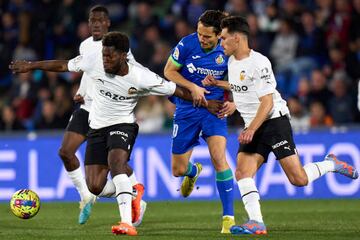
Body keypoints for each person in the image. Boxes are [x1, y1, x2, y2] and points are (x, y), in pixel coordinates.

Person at [202, 15, 359, 235]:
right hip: (254, 125)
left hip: (274, 122)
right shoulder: (232, 62)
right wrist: (221, 85)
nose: (221, 43)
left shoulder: (260, 62)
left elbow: (266, 102)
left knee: (299, 179)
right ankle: (256, 222)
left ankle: (331, 164)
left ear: (237, 38)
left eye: (225, 38)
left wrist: (251, 129)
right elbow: (241, 86)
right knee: (242, 172)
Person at [67, 31, 219, 235]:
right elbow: (62, 65)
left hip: (123, 124)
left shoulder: (141, 76)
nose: (105, 60)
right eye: (104, 55)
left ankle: (126, 223)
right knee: (95, 186)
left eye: (109, 56)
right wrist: (30, 66)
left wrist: (206, 104)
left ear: (122, 55)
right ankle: (132, 193)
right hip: (97, 127)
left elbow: (174, 90)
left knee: (116, 164)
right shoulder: (95, 62)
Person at [9, 5, 146, 226]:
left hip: (108, 113)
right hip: (87, 108)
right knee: (65, 152)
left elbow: (126, 75)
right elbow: (79, 68)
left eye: (100, 20)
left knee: (113, 162)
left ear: (108, 23)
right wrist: (83, 91)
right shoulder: (85, 45)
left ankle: (133, 191)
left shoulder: (118, 46)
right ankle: (87, 195)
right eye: (92, 20)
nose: (96, 24)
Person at [163, 10, 235, 233]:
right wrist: (193, 87)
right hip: (187, 109)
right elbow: (168, 71)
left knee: (219, 158)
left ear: (219, 35)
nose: (202, 39)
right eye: (200, 34)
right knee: (178, 170)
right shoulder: (187, 44)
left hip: (215, 109)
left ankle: (228, 218)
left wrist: (234, 103)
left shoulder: (228, 51)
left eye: (207, 37)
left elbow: (242, 82)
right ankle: (193, 172)